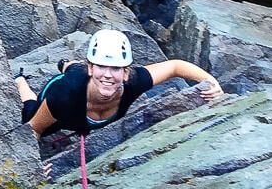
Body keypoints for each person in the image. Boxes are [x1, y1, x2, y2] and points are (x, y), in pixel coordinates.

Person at [15, 28, 223, 137]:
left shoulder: (134, 81)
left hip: (84, 78)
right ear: (92, 68)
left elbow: (175, 67)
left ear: (125, 73)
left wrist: (211, 82)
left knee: (80, 72)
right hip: (64, 89)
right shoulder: (64, 96)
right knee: (30, 114)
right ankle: (21, 81)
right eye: (101, 67)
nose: (108, 74)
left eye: (115, 68)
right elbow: (34, 130)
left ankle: (67, 63)